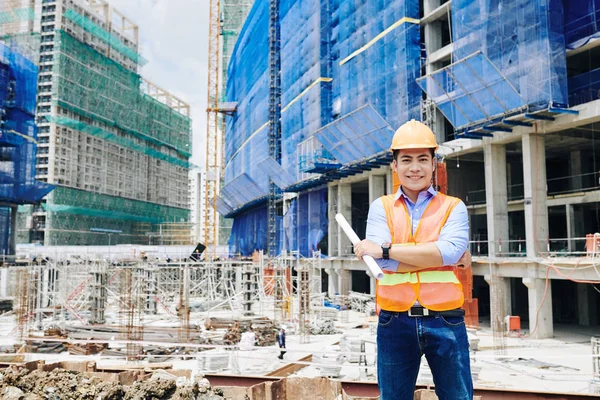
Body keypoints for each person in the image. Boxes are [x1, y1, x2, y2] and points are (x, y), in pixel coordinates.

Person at [353, 120, 473, 400]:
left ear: (434, 163)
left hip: (446, 320)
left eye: (422, 159)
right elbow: (385, 267)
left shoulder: (453, 207)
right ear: (394, 166)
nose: (414, 167)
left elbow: (451, 251)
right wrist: (439, 256)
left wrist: (384, 250)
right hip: (394, 321)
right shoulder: (380, 207)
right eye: (406, 160)